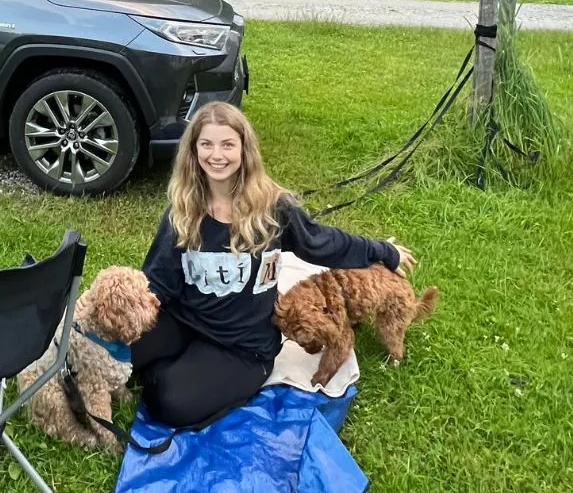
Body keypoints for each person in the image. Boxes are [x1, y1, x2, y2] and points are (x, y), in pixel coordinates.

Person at [132, 102, 416, 429]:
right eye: (206, 144)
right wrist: (125, 323)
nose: (216, 155)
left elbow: (322, 242)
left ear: (244, 149)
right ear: (193, 151)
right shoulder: (183, 207)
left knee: (167, 402)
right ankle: (172, 358)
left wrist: (384, 251)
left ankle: (179, 368)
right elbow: (156, 279)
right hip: (185, 318)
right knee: (119, 348)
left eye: (227, 144)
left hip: (242, 346)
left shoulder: (272, 208)